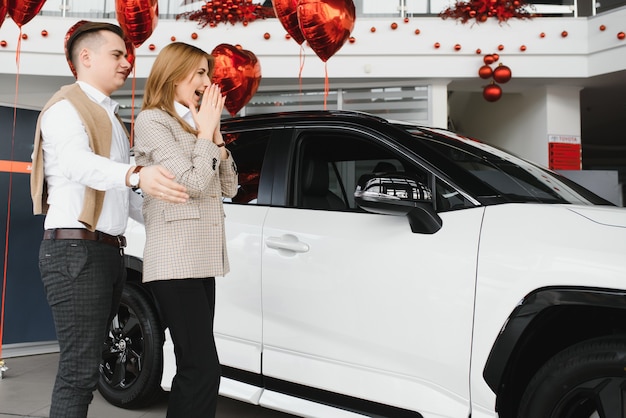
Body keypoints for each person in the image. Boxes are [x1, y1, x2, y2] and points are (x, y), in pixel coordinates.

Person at [30, 22, 189, 418]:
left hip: (104, 252)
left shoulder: (112, 119)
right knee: (79, 371)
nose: (127, 62)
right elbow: (75, 164)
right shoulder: (65, 108)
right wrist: (136, 174)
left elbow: (121, 197)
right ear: (86, 57)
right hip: (76, 251)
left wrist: (170, 213)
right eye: (117, 54)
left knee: (85, 368)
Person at [133, 42, 238, 418]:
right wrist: (206, 133)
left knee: (199, 366)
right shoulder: (152, 121)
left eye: (208, 73)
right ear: (174, 74)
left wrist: (214, 134)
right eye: (200, 73)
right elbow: (193, 182)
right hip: (174, 262)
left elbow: (229, 187)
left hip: (200, 261)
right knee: (201, 367)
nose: (207, 81)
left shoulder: (193, 124)